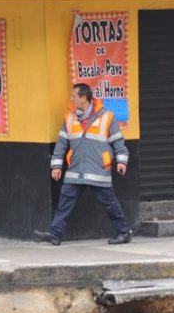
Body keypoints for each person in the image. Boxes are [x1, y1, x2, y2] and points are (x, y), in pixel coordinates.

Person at [34, 83, 131, 246]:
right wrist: (56, 166)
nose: (71, 99)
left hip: (98, 170)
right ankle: (55, 234)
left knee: (109, 203)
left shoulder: (107, 116)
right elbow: (62, 143)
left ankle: (123, 232)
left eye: (74, 96)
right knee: (65, 201)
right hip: (76, 170)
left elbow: (118, 142)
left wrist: (121, 162)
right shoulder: (69, 116)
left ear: (84, 98)